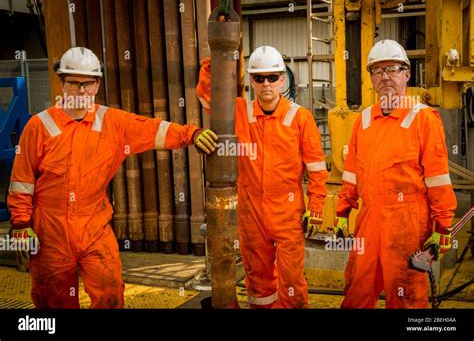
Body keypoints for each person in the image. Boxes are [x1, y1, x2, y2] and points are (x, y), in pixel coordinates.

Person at [7, 46, 218, 308]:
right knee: (53, 301)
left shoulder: (112, 122)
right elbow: (22, 180)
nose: (82, 91)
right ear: (62, 82)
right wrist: (20, 224)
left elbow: (153, 129)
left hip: (95, 227)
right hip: (50, 232)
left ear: (97, 84)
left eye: (88, 83)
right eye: (74, 83)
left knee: (109, 293)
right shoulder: (39, 126)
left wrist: (192, 134)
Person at [197, 45, 328, 308]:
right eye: (259, 78)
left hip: (287, 214)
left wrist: (316, 207)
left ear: (282, 79)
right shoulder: (240, 113)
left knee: (292, 281)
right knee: (258, 280)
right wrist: (218, 59)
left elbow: (316, 167)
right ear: (252, 83)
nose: (266, 83)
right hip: (252, 215)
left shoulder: (300, 118)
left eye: (272, 77)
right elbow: (208, 96)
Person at [334, 39, 457, 308]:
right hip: (369, 220)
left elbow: (437, 178)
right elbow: (352, 172)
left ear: (407, 74)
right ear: (371, 79)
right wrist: (343, 211)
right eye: (378, 71)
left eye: (392, 69)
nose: (385, 76)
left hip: (407, 225)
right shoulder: (363, 120)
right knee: (356, 290)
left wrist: (443, 226)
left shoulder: (423, 119)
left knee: (406, 295)